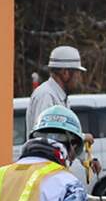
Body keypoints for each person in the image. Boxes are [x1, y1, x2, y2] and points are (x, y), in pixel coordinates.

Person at [30, 45, 98, 185]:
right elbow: (46, 136)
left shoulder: (60, 97)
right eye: (77, 73)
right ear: (65, 73)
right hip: (44, 174)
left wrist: (89, 160)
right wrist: (83, 137)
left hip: (52, 171)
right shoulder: (46, 96)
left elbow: (66, 136)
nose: (79, 78)